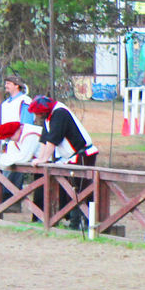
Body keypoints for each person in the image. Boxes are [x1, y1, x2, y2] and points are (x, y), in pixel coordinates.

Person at [29, 95, 99, 230]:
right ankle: (74, 221)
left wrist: (44, 159)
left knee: (81, 190)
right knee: (71, 189)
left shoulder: (59, 113)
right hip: (70, 157)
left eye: (38, 113)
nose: (37, 116)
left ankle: (86, 222)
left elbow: (54, 139)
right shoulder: (49, 117)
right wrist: (41, 158)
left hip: (82, 154)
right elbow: (45, 139)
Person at [0, 120, 42, 217]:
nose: (10, 139)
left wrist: (0, 158)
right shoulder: (16, 139)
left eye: (10, 136)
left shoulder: (30, 135)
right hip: (40, 167)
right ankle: (39, 219)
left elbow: (23, 158)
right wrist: (0, 159)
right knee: (39, 195)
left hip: (54, 163)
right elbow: (12, 155)